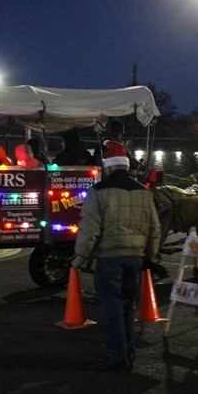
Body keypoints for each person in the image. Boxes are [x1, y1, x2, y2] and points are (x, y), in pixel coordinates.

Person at [71, 141, 161, 371]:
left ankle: (117, 355)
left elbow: (90, 228)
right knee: (129, 307)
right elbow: (154, 229)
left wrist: (79, 258)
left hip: (109, 257)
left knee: (112, 307)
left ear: (108, 167)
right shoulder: (144, 192)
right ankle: (129, 351)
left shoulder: (98, 191)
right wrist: (149, 256)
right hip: (135, 257)